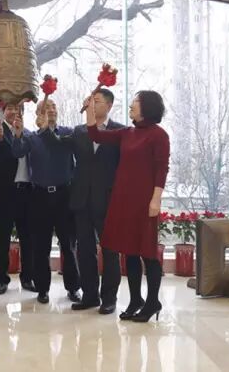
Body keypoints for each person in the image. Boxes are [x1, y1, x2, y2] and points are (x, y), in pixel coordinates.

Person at [85, 90, 170, 322]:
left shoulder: (159, 135)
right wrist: (90, 111)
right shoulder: (127, 133)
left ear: (147, 107)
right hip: (124, 199)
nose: (131, 105)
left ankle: (152, 302)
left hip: (145, 201)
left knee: (148, 254)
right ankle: (135, 301)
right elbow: (95, 135)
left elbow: (162, 168)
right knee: (129, 252)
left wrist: (156, 199)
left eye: (136, 102)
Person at [40, 89, 124, 314]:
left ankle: (109, 298)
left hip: (107, 200)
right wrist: (46, 127)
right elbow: (57, 144)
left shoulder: (119, 131)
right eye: (91, 101)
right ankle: (90, 296)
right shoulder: (79, 131)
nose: (92, 105)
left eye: (97, 101)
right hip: (81, 200)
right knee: (85, 251)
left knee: (110, 251)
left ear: (109, 105)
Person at [12, 98, 81, 304]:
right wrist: (17, 134)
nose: (50, 110)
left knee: (68, 245)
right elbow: (17, 151)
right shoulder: (32, 137)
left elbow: (58, 146)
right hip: (39, 196)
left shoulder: (68, 133)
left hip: (63, 195)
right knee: (40, 246)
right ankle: (42, 288)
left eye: (53, 107)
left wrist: (45, 131)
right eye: (45, 108)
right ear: (37, 115)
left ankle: (73, 287)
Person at [0, 103, 36, 295]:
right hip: (4, 192)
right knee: (2, 237)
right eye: (10, 109)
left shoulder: (29, 134)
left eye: (17, 109)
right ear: (3, 111)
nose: (14, 112)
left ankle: (28, 278)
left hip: (27, 192)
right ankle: (1, 279)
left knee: (28, 237)